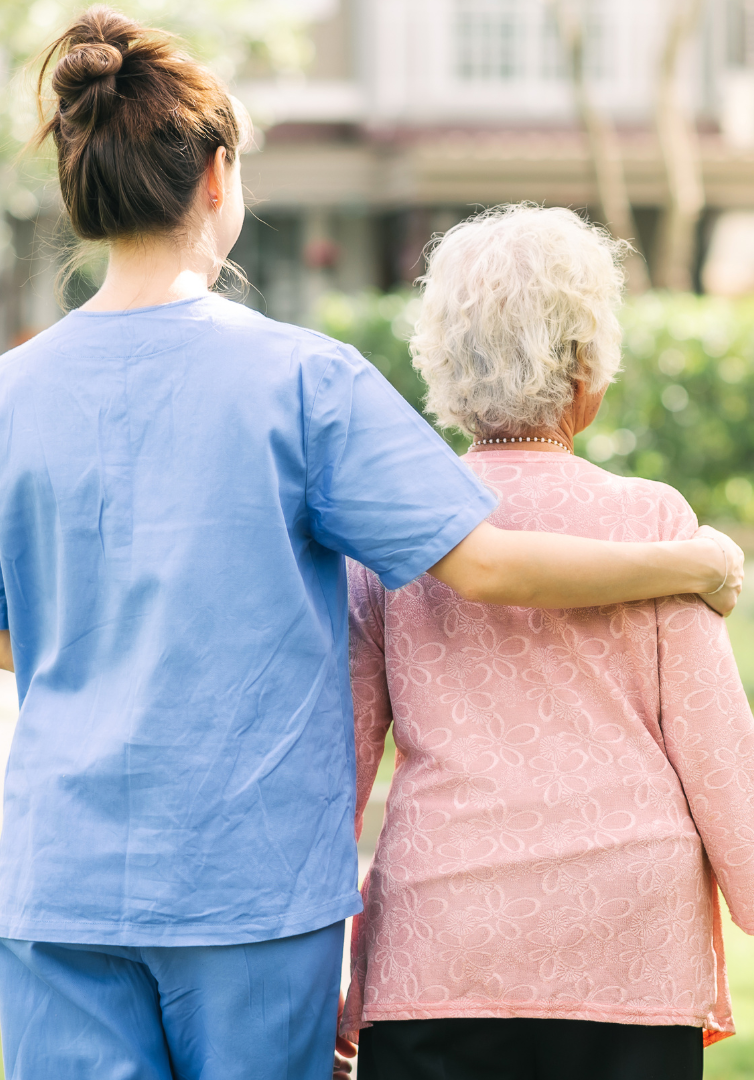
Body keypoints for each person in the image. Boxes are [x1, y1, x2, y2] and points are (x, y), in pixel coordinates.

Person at [0, 10, 741, 1078]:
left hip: (58, 876)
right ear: (218, 177)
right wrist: (687, 562)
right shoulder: (302, 383)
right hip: (244, 887)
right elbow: (482, 562)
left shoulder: (14, 393)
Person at [343, 205, 754, 1080]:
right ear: (585, 370)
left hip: (442, 944)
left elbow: (338, 763)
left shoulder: (392, 536)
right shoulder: (652, 522)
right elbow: (721, 760)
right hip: (628, 941)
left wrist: (327, 970)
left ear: (445, 365)